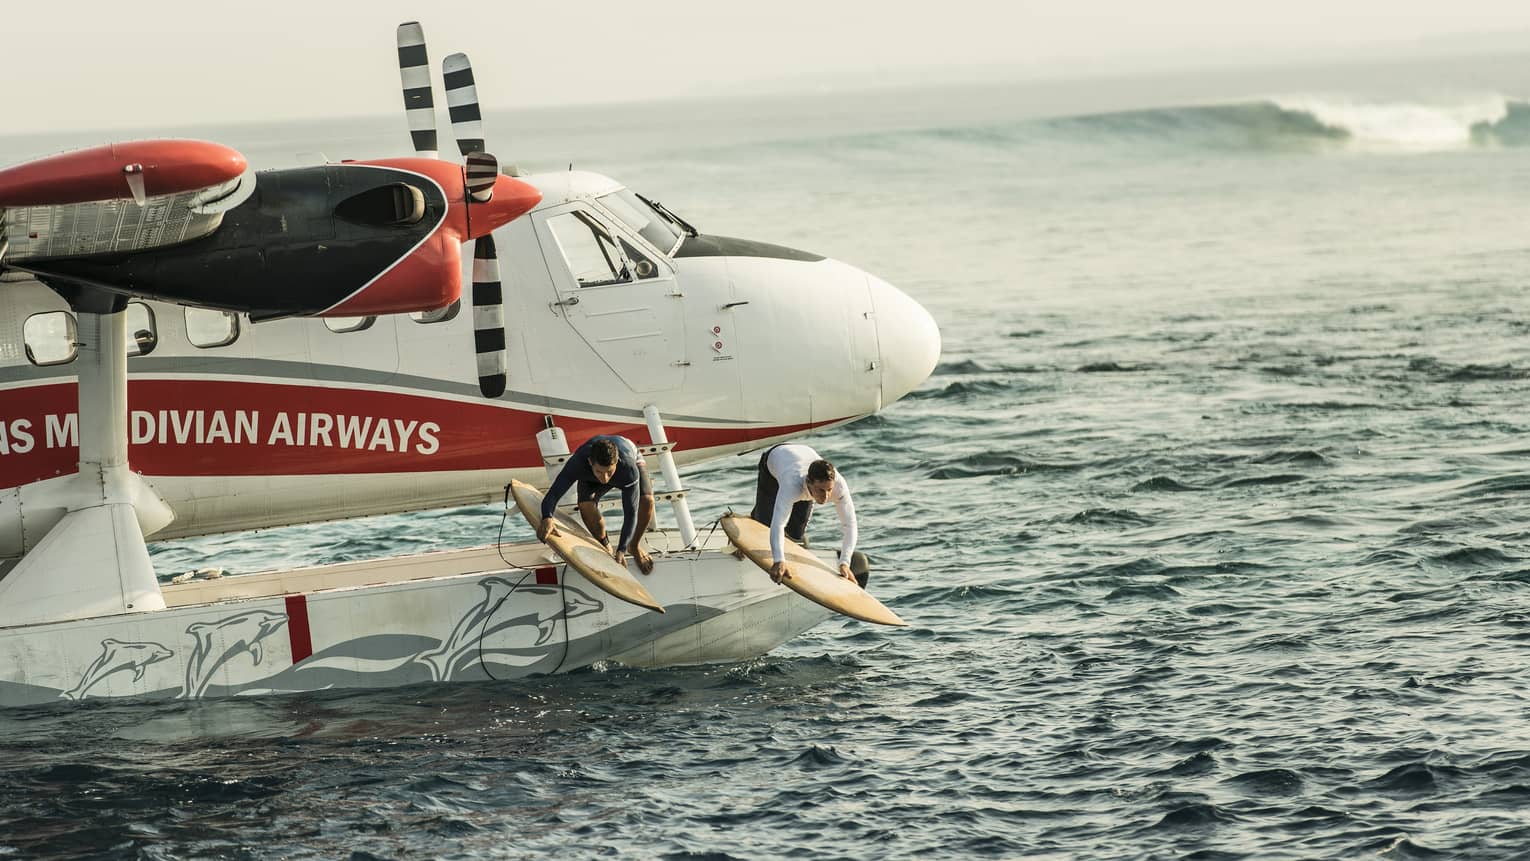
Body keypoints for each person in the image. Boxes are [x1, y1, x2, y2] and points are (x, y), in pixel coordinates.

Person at [538, 435, 655, 574]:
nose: (605, 478)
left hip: (628, 455)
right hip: (589, 475)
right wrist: (547, 517)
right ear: (590, 462)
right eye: (600, 472)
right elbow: (553, 494)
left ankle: (634, 546)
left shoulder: (628, 468)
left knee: (647, 501)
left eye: (609, 472)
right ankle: (605, 547)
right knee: (586, 507)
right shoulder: (578, 463)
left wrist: (622, 549)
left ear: (616, 462)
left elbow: (630, 513)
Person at [750, 443, 858, 584]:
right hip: (774, 459)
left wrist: (845, 562)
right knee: (765, 525)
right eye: (821, 490)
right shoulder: (791, 485)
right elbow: (779, 524)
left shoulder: (839, 487)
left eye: (829, 490)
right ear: (808, 482)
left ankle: (784, 545)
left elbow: (849, 525)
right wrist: (779, 560)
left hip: (804, 455)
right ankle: (753, 517)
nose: (826, 496)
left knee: (796, 534)